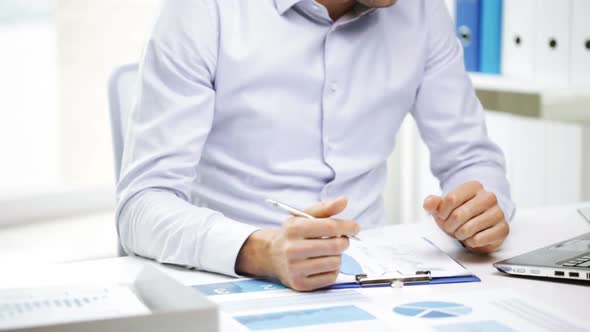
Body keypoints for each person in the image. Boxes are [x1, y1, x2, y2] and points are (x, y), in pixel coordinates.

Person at [117, 0, 514, 292]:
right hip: (230, 283)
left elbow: (470, 155)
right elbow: (141, 205)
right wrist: (260, 251)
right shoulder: (203, 11)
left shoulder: (422, 12)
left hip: (377, 284)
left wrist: (480, 212)